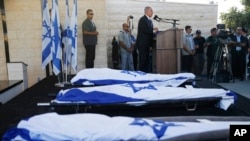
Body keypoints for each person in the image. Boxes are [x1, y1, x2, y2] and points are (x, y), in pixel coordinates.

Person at [136, 6, 158, 73]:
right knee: (143, 61)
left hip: (148, 45)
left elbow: (150, 33)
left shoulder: (150, 21)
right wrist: (153, 30)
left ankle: (146, 73)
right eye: (151, 11)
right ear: (147, 11)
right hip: (143, 44)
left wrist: (157, 34)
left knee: (147, 61)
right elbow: (146, 30)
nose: (152, 12)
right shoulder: (143, 19)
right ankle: (141, 74)